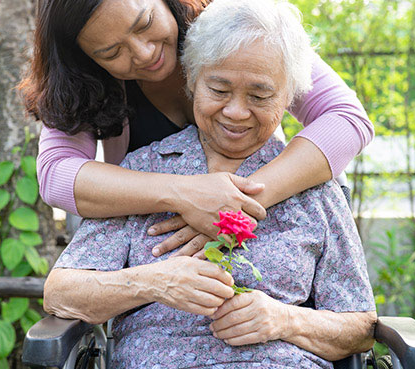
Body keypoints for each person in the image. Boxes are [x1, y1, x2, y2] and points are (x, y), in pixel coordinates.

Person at [43, 1, 377, 367]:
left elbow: (359, 326)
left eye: (259, 96)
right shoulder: (136, 173)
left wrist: (286, 318)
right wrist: (155, 279)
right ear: (194, 80)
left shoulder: (313, 186)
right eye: (218, 90)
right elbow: (57, 182)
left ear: (288, 95)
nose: (143, 52)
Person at [19, 0, 374, 257]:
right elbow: (57, 175)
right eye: (112, 52)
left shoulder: (237, 24)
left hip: (267, 235)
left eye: (144, 23)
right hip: (161, 261)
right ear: (85, 59)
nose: (143, 53)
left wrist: (235, 209)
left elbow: (347, 118)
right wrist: (184, 194)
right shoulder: (83, 84)